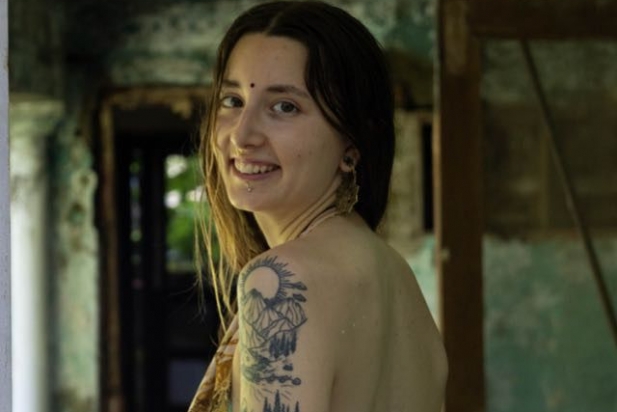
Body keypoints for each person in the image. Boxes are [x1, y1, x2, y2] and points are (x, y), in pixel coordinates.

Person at [189, 1, 447, 411]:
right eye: (232, 100)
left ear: (352, 143)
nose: (241, 135)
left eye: (284, 107)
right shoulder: (398, 280)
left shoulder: (279, 284)